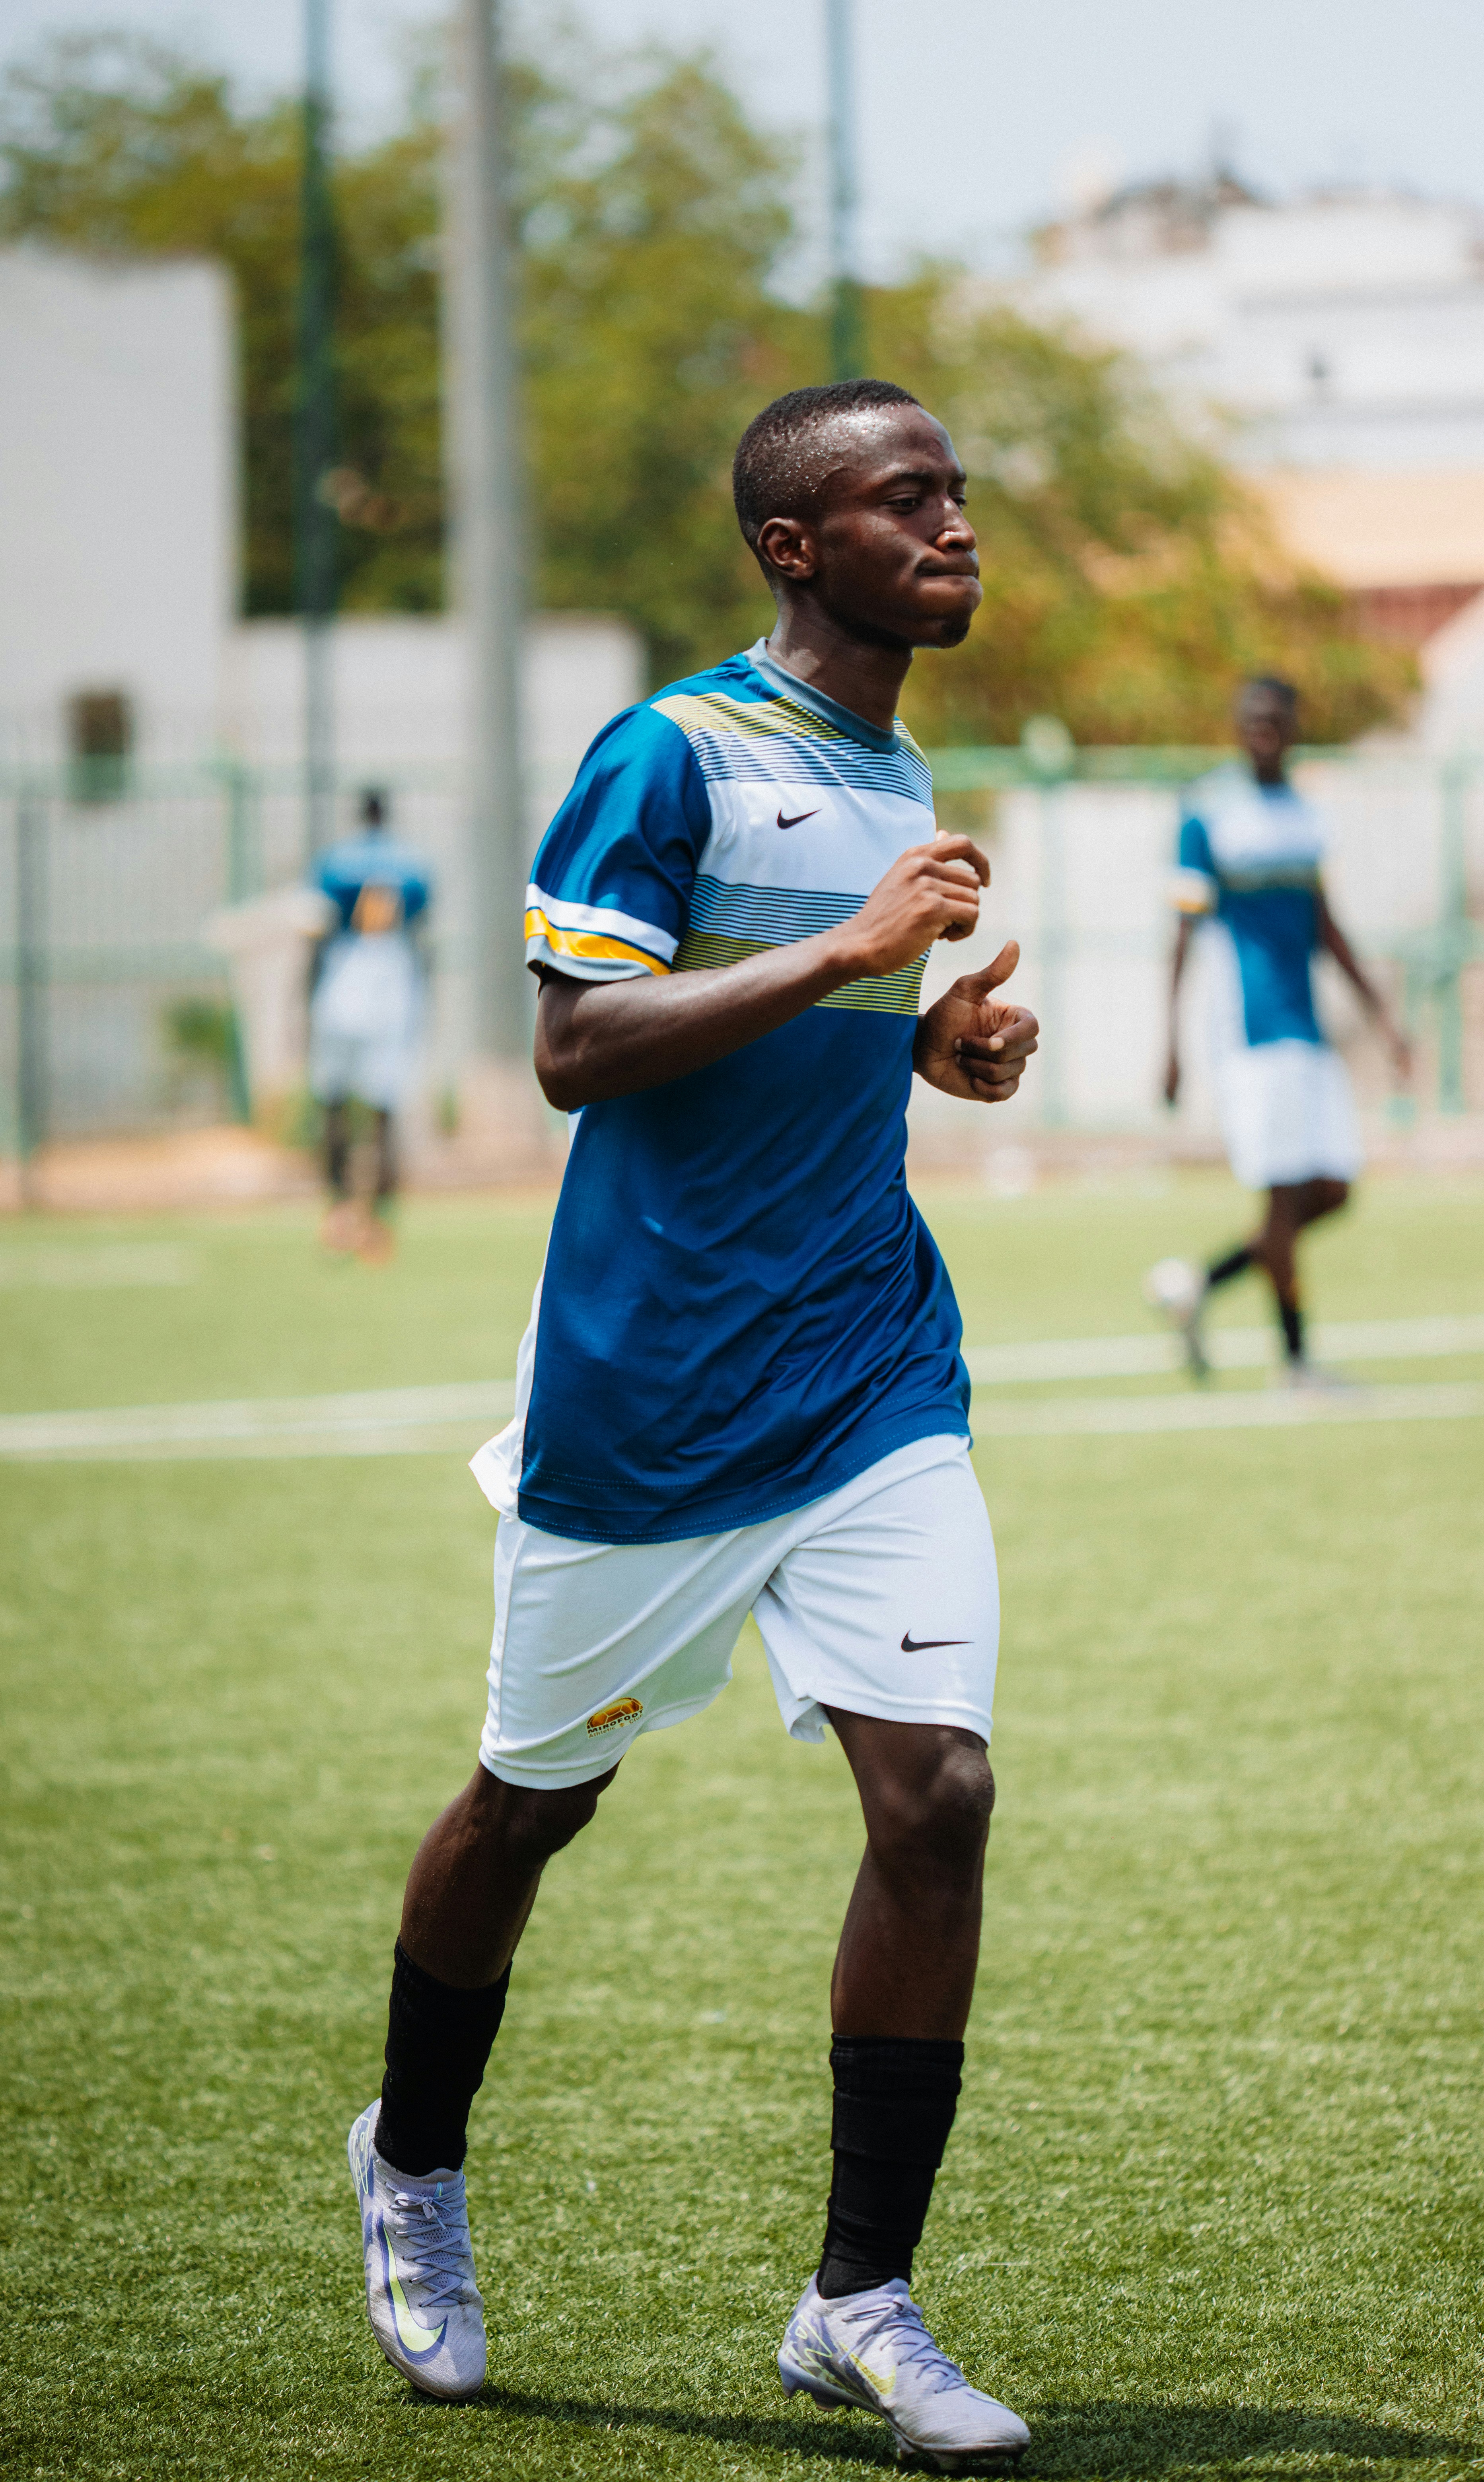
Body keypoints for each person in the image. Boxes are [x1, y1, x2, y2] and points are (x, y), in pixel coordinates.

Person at [346, 379, 1041, 2470]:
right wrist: (855, 946)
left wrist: (925, 1043)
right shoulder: (667, 750)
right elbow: (575, 1046)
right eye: (904, 497)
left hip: (869, 1368)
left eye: (956, 491)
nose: (954, 523)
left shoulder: (891, 757)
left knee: (938, 1798)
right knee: (526, 1811)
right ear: (791, 548)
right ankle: (413, 2159)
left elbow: (792, 1032)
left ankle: (859, 2302)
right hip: (648, 1397)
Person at [1148, 676, 1409, 1381]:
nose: (1262, 728)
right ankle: (1296, 1365)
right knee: (1282, 1192)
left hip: (1306, 1027)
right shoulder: (1206, 812)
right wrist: (1169, 1043)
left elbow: (1326, 926)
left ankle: (1199, 1286)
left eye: (1275, 718)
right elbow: (1182, 933)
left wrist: (1383, 1018)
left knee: (1330, 1191)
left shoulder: (1306, 816)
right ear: (1237, 726)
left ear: (1294, 726)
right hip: (1248, 1030)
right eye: (1252, 717)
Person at [307, 788, 432, 1262]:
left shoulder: (334, 863)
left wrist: (305, 999)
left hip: (345, 973)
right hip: (393, 977)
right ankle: (378, 1217)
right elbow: (422, 927)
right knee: (385, 1107)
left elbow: (317, 929)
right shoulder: (412, 864)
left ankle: (338, 1208)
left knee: (334, 1099)